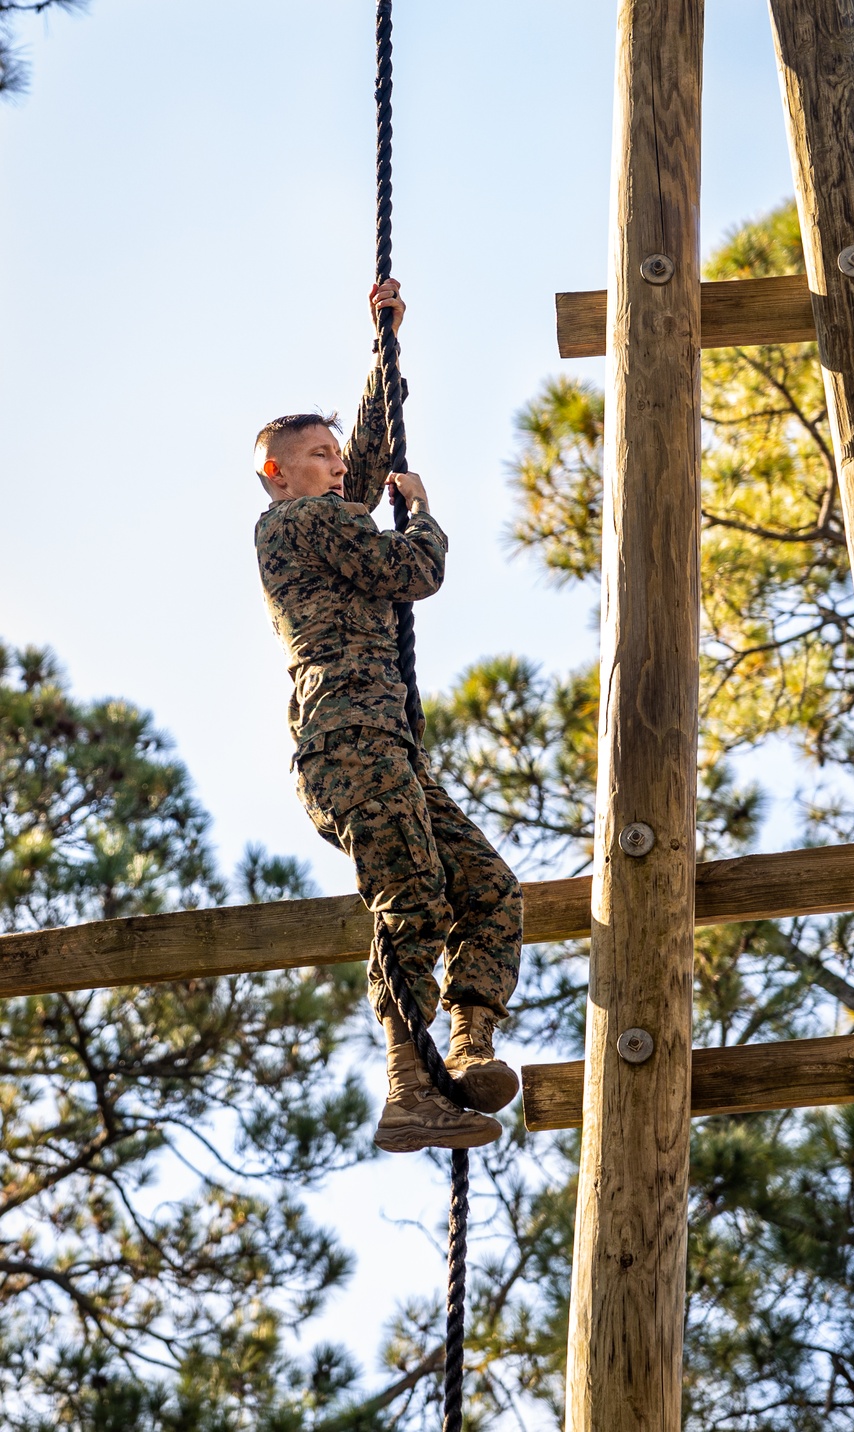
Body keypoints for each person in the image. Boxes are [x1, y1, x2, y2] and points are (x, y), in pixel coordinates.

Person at [253, 280, 522, 1154]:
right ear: (277, 474)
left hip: (386, 746)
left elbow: (365, 466)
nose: (336, 466)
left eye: (334, 455)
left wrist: (384, 352)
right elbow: (409, 569)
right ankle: (410, 1085)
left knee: (485, 884)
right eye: (317, 455)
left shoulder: (324, 512)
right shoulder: (292, 528)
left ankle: (469, 1042)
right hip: (349, 740)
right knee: (411, 896)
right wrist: (430, 520)